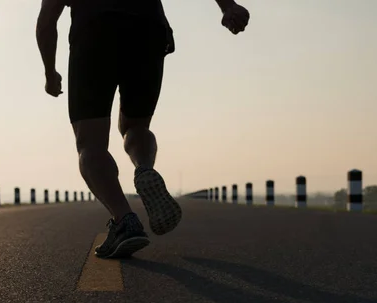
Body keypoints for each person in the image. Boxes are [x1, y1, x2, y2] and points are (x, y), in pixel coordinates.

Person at [36, 0, 250, 258]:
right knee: (135, 126)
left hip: (94, 31)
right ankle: (144, 168)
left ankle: (125, 220)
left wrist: (50, 72)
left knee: (90, 144)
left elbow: (47, 21)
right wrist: (227, 6)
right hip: (147, 29)